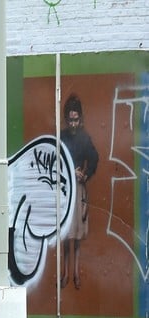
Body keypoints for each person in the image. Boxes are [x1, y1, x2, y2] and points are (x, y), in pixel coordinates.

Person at [59, 93, 99, 289]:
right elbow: (55, 161)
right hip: (66, 190)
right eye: (70, 120)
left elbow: (94, 158)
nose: (73, 124)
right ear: (66, 119)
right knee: (66, 235)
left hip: (79, 190)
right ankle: (65, 272)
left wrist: (86, 174)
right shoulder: (62, 137)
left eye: (76, 120)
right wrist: (69, 171)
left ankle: (75, 273)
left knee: (77, 236)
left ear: (80, 119)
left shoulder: (84, 138)